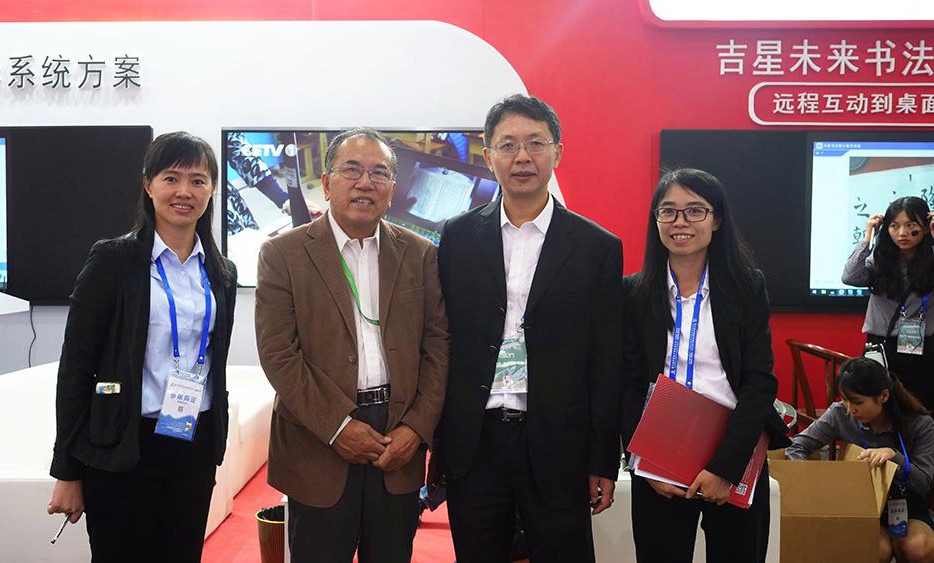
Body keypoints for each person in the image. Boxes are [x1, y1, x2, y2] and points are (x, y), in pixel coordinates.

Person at [433, 94, 623, 562]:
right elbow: (440, 341)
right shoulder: (456, 237)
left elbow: (606, 362)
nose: (522, 157)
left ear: (557, 153)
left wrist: (603, 458)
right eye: (508, 145)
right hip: (475, 441)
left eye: (536, 143)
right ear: (488, 155)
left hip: (558, 443)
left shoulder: (596, 247)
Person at [255, 127, 450, 562]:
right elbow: (279, 355)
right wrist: (338, 427)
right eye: (352, 170)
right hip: (317, 438)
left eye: (379, 172)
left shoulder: (420, 253)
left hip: (398, 438)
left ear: (393, 190)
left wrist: (417, 428)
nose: (365, 182)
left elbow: (438, 346)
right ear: (326, 183)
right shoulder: (283, 254)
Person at [46, 131, 238, 562]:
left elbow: (215, 362)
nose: (184, 191)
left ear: (211, 189)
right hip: (122, 447)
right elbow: (76, 368)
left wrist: (210, 449)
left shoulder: (222, 273)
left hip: (192, 443)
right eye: (171, 178)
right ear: (149, 185)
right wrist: (68, 470)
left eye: (198, 180)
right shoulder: (113, 261)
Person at [622, 168, 791, 563]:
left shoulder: (747, 288)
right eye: (668, 211)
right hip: (660, 454)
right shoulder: (633, 293)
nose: (680, 222)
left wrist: (725, 468)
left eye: (695, 210)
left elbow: (759, 381)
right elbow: (625, 383)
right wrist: (646, 464)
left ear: (717, 220)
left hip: (733, 448)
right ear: (656, 220)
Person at [787, 356, 934, 563]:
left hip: (905, 503)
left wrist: (894, 456)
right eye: (845, 400)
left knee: (918, 548)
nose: (850, 409)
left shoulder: (919, 422)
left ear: (883, 396)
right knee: (875, 550)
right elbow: (797, 446)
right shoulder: (840, 414)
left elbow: (924, 481)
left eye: (857, 402)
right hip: (860, 502)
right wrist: (810, 480)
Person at [843, 196, 934, 410]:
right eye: (894, 226)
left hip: (924, 350)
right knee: (882, 413)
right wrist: (868, 237)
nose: (902, 233)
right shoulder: (880, 259)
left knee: (924, 413)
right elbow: (850, 276)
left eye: (910, 225)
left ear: (925, 227)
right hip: (882, 348)